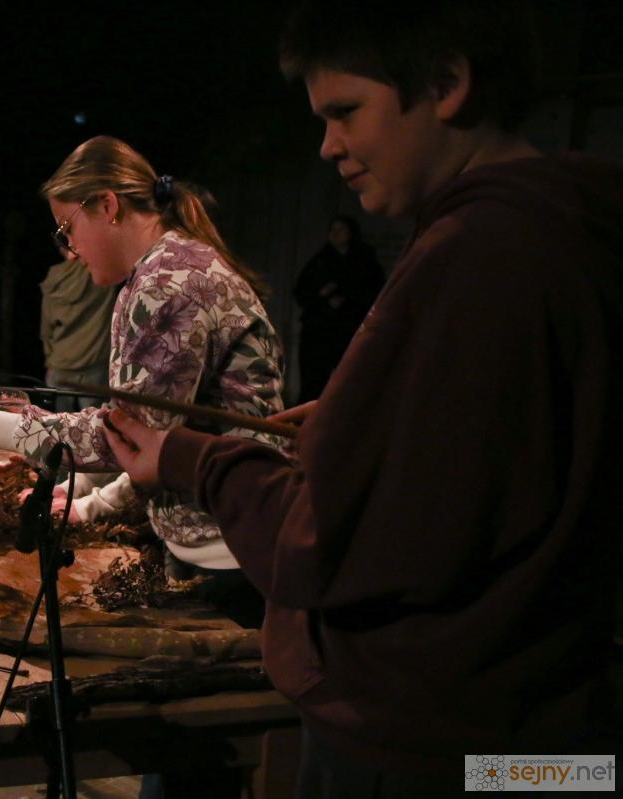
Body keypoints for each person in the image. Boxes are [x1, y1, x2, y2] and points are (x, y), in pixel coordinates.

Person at [104, 1, 621, 795]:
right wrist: (371, 419)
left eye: (345, 111)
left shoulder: (480, 255)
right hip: (541, 742)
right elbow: (503, 458)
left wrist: (193, 460)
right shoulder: (569, 227)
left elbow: (333, 545)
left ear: (446, 83)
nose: (328, 145)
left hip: (425, 744)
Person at [0, 135, 286, 628]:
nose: (70, 251)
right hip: (221, 540)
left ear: (108, 206)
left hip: (234, 552)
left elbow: (135, 437)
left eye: (67, 229)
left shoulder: (170, 283)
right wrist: (90, 500)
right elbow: (151, 433)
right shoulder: (162, 271)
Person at [292, 215, 383, 402]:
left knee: (349, 383)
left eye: (340, 230)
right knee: (313, 384)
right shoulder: (319, 261)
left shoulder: (365, 262)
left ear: (351, 233)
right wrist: (322, 295)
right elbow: (301, 292)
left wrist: (346, 299)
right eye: (332, 230)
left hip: (349, 330)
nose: (335, 234)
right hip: (319, 332)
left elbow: (374, 293)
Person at [39, 252, 114, 413]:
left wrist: (49, 358)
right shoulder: (100, 272)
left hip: (60, 363)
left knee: (57, 423)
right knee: (95, 423)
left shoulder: (55, 277)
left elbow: (46, 329)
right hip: (92, 364)